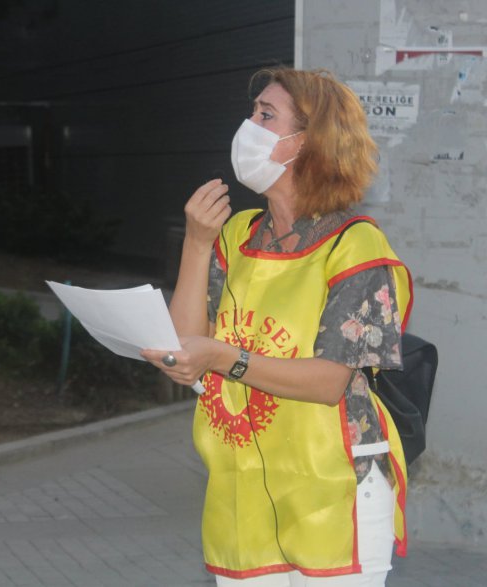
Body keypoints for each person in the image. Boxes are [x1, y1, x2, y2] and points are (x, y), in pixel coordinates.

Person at [142, 68, 413, 586]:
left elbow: (329, 381)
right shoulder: (236, 234)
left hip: (334, 484)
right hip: (242, 485)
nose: (248, 126)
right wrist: (197, 243)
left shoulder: (354, 246)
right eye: (252, 113)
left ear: (310, 142)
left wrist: (224, 358)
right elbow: (180, 348)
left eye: (266, 116)